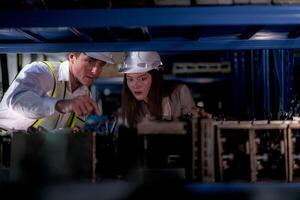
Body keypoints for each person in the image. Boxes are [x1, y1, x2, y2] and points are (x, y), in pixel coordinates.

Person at [0, 52, 114, 132]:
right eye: (90, 61)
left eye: (101, 65)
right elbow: (17, 101)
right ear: (72, 56)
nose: (95, 71)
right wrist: (60, 104)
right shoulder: (42, 71)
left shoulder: (84, 95)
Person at [119, 51, 196, 128]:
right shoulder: (133, 107)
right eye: (130, 79)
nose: (135, 85)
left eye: (142, 78)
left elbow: (194, 130)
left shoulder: (180, 93)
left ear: (155, 78)